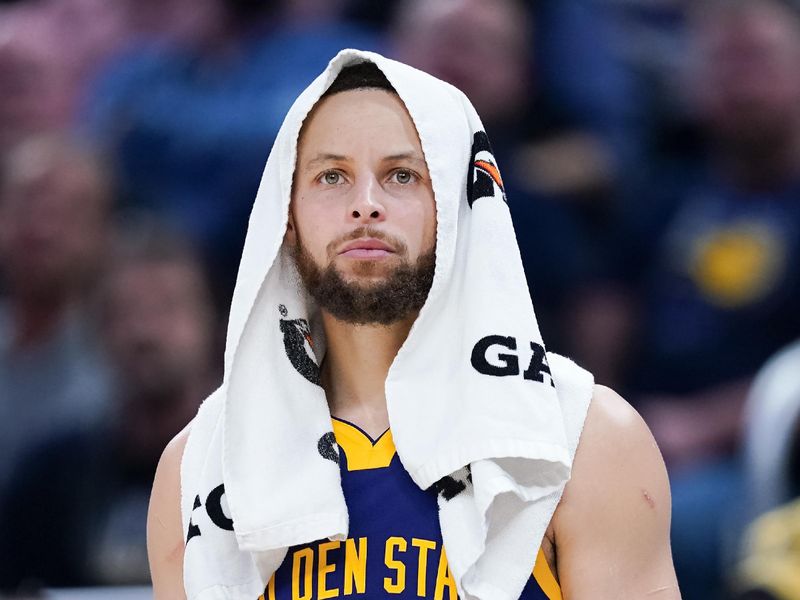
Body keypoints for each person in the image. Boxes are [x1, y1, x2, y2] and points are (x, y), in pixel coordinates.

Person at [147, 54, 679, 599]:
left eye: (402, 175)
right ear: (285, 217)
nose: (366, 205)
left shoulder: (587, 439)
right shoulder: (199, 464)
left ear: (459, 205)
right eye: (332, 176)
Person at [0, 218, 219, 590]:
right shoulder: (50, 477)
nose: (145, 332)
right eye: (127, 311)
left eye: (167, 308)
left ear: (212, 325)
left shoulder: (254, 469)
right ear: (98, 331)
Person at [0, 133, 112, 495]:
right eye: (27, 205)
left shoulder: (122, 367)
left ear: (101, 233)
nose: (42, 228)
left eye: (65, 213)